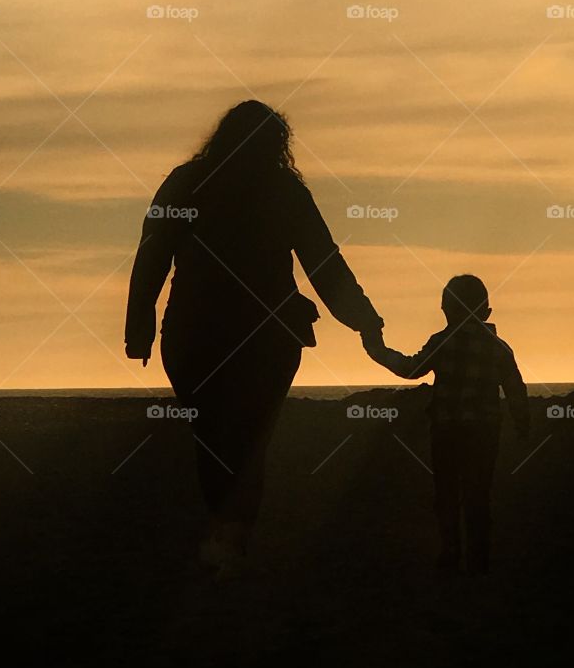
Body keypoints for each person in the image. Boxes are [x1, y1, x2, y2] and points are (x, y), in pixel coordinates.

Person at [125, 100, 383, 578]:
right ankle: (234, 537)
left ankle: (224, 534)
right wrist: (364, 320)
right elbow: (324, 264)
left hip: (193, 334)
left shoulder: (187, 182)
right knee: (249, 443)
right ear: (277, 145)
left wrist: (138, 325)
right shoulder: (283, 189)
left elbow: (151, 256)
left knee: (212, 437)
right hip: (266, 337)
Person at [361, 274, 529, 575]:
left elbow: (411, 369)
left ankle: (451, 552)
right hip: (485, 432)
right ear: (486, 312)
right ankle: (479, 559)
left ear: (446, 310)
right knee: (479, 494)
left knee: (446, 493)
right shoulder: (499, 348)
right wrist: (523, 424)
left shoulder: (442, 343)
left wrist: (377, 350)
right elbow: (516, 389)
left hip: (446, 430)